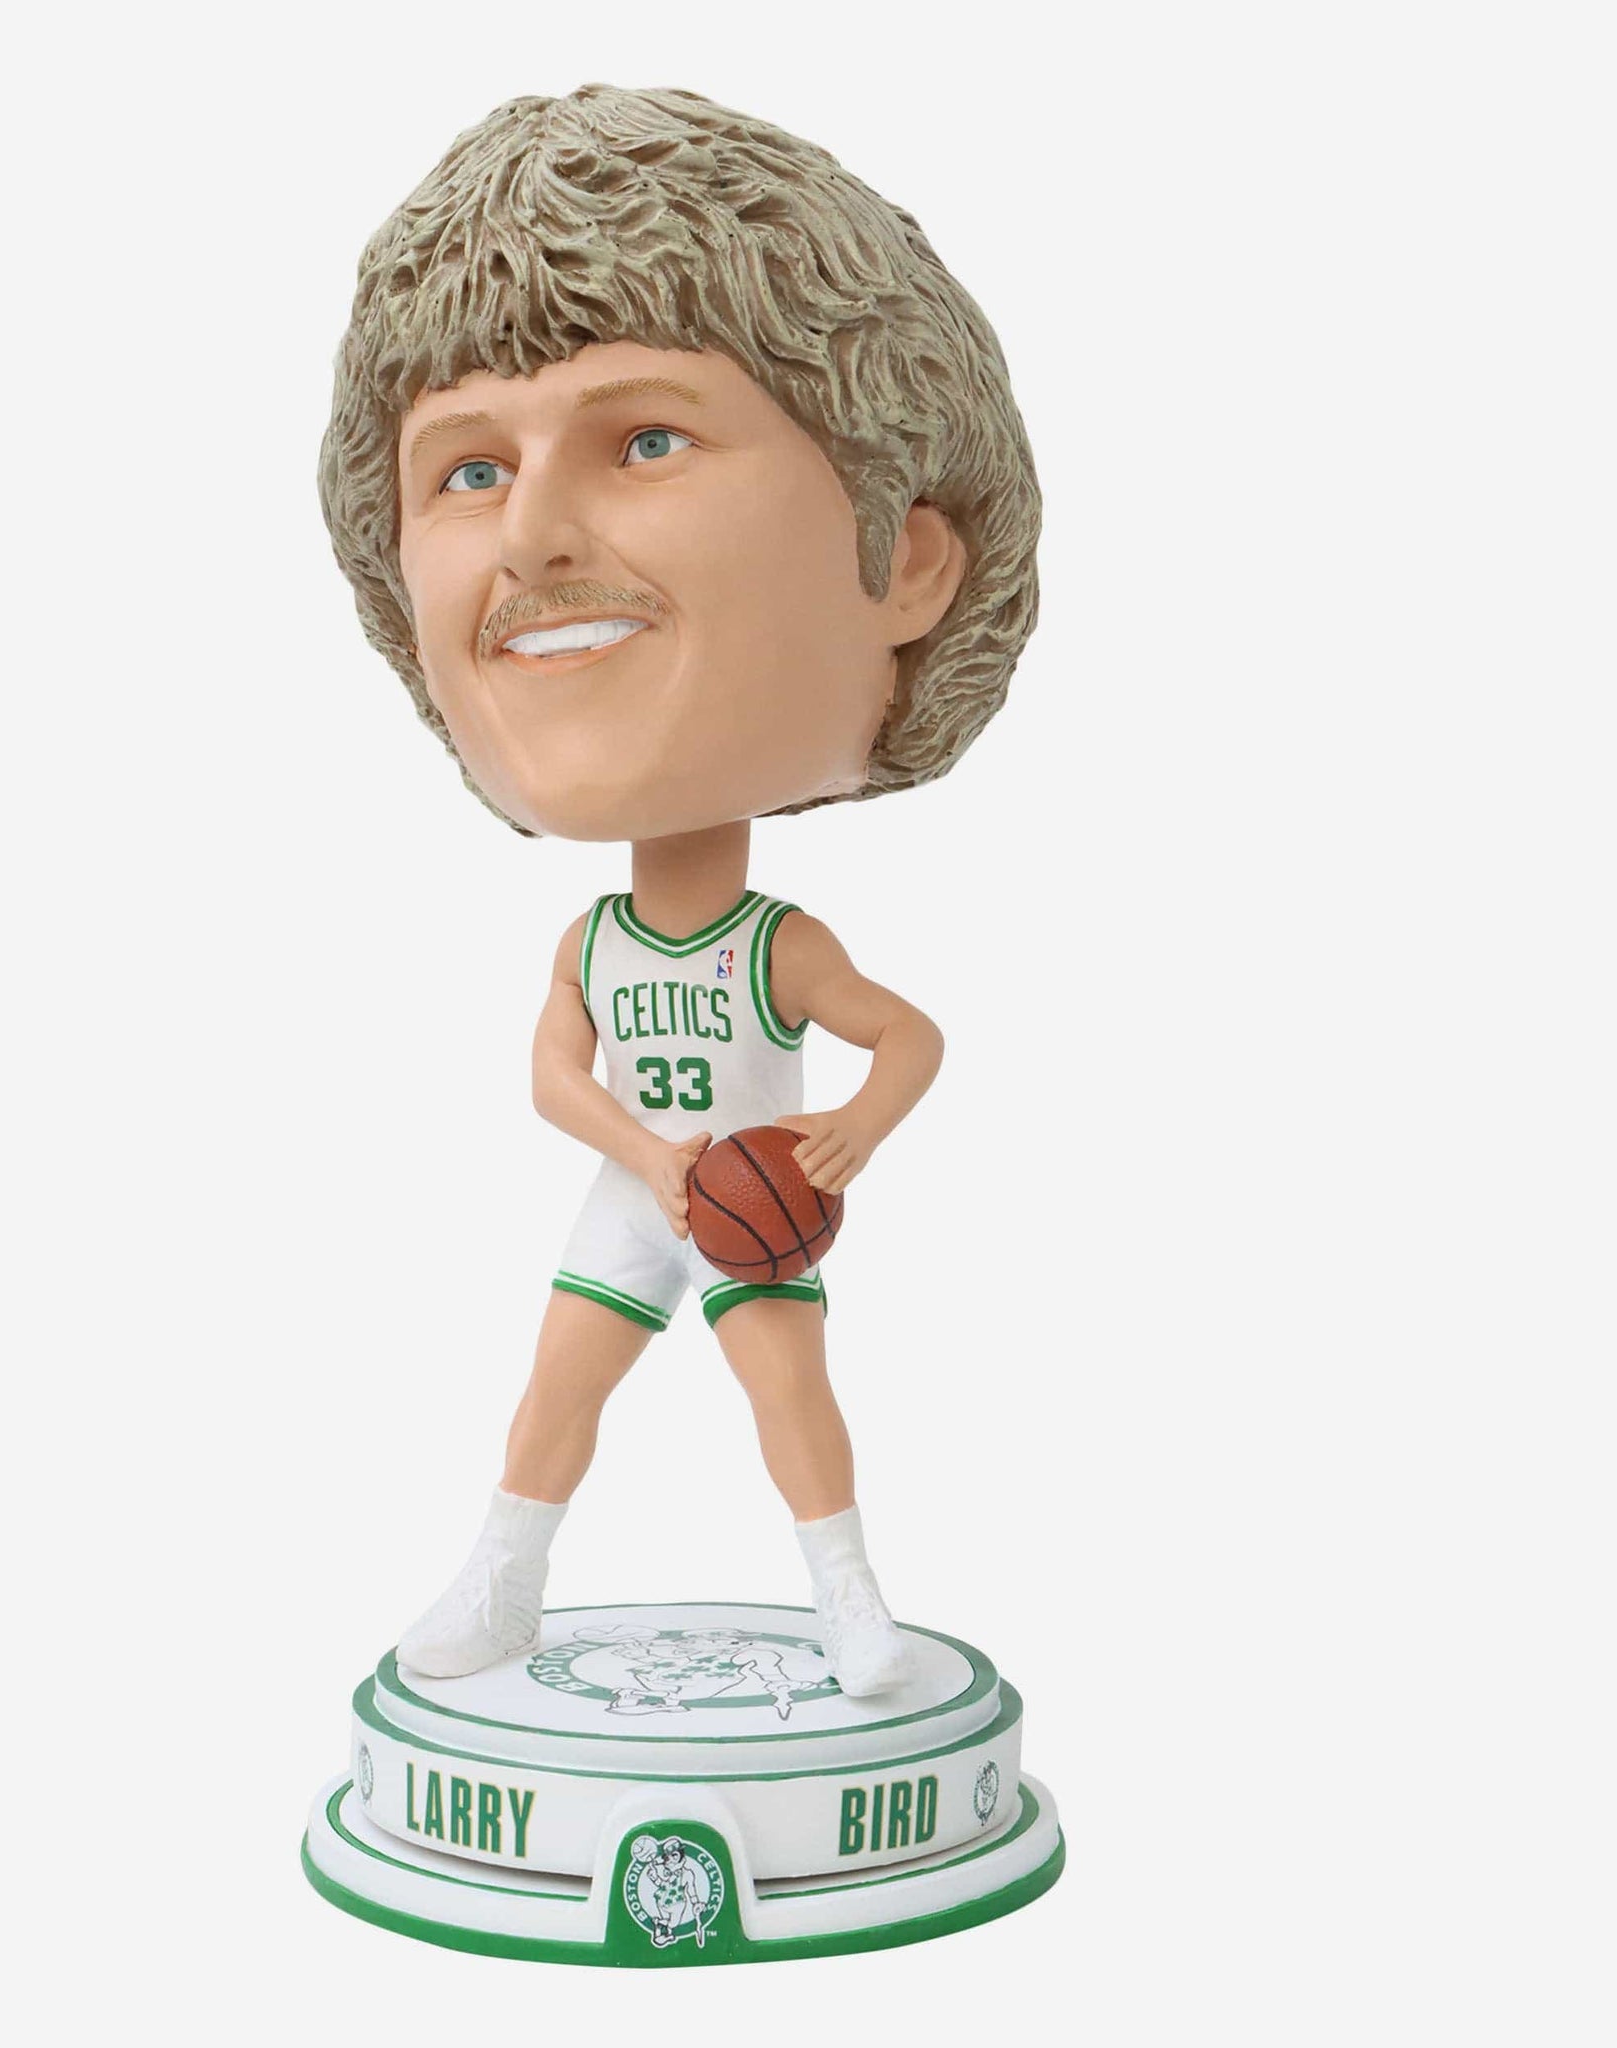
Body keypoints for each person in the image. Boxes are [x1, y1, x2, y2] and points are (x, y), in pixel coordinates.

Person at [318, 86, 1039, 1695]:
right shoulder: (596, 938)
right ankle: (503, 1578)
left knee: (788, 1392)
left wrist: (846, 1135)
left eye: (647, 440)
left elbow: (908, 1036)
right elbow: (548, 1076)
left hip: (742, 1190)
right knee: (557, 1386)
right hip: (652, 1183)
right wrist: (651, 1156)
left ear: (910, 560)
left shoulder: (775, 945)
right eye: (468, 469)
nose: (531, 538)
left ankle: (850, 1600)